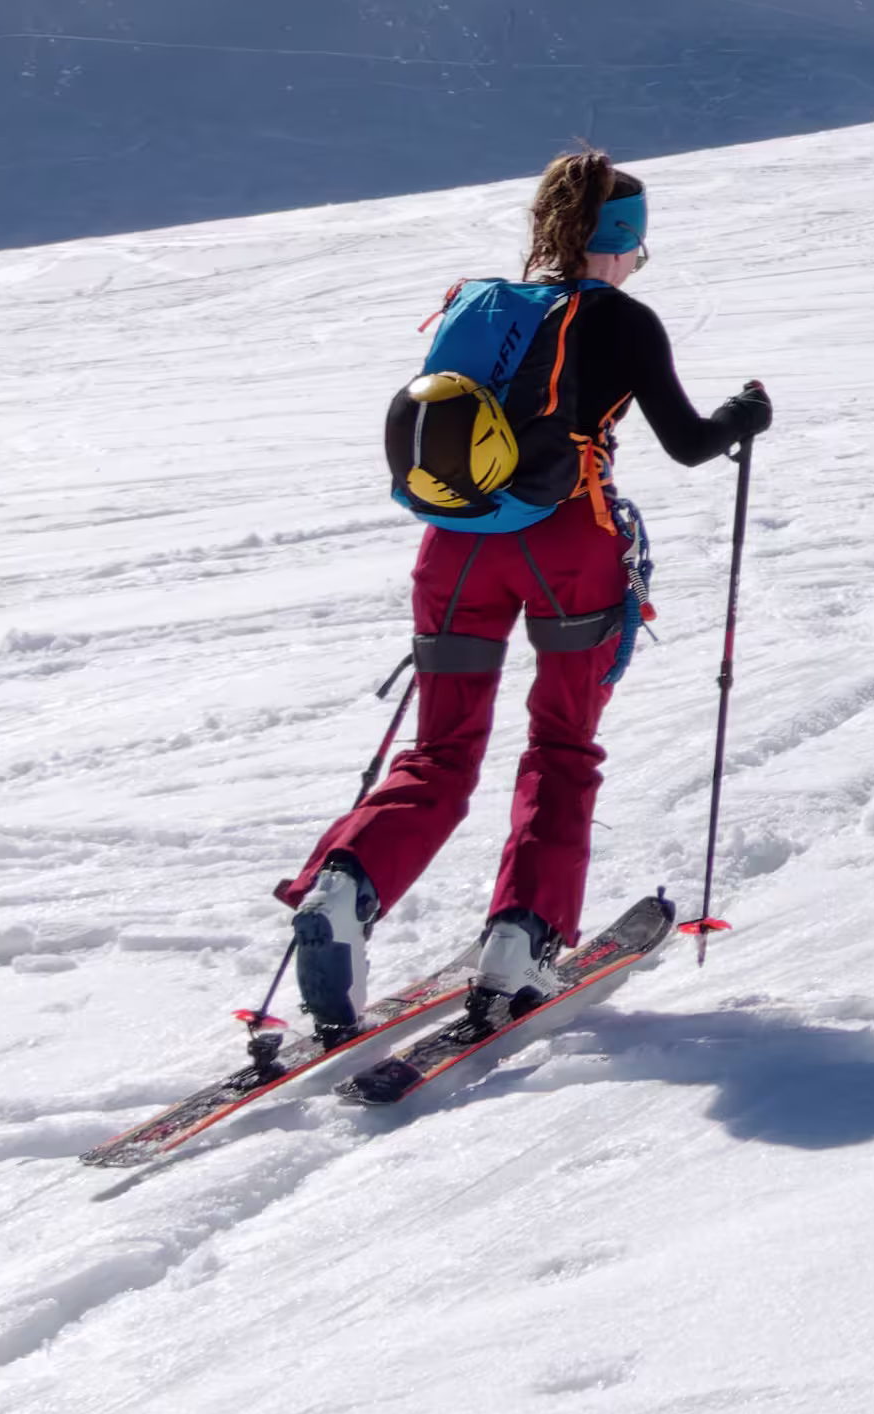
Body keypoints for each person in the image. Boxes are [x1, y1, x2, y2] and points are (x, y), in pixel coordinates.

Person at [281, 150, 769, 1032]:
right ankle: (522, 937)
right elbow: (691, 444)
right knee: (560, 745)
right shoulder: (621, 318)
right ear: (621, 242)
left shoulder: (478, 304)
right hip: (567, 548)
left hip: (454, 547)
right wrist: (747, 416)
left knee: (439, 751)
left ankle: (343, 884)